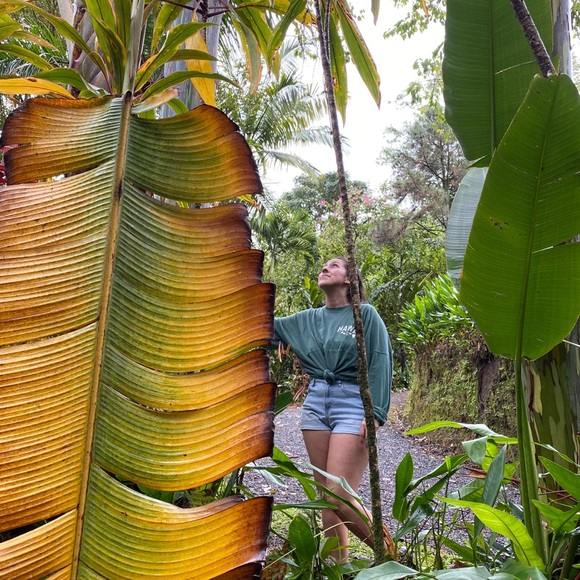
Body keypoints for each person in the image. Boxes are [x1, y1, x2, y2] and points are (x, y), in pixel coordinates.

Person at [273, 257, 394, 563]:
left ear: (349, 279)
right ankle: (338, 569)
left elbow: (380, 358)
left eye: (334, 265)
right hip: (316, 403)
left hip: (353, 401)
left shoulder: (364, 314)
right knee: (325, 500)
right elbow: (263, 327)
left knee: (338, 496)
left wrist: (376, 412)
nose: (325, 268)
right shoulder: (307, 319)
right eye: (324, 266)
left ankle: (394, 560)